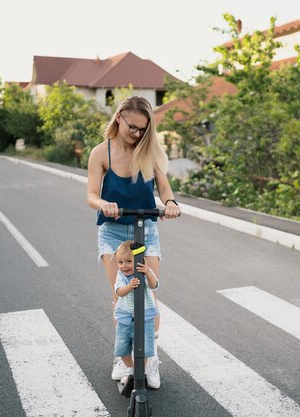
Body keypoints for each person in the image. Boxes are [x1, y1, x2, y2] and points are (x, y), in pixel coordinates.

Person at [86, 96, 181, 388]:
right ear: (118, 117)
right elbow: (90, 194)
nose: (137, 133)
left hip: (145, 230)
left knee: (149, 296)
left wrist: (171, 202)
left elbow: (164, 187)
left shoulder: (150, 151)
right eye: (132, 126)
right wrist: (103, 204)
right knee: (122, 296)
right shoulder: (101, 153)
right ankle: (123, 359)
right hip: (114, 233)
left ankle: (150, 361)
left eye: (143, 129)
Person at [113, 241, 159, 383]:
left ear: (139, 261)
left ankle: (140, 372)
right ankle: (131, 368)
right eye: (120, 262)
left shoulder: (144, 273)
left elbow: (154, 285)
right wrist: (129, 286)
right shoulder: (121, 276)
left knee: (144, 349)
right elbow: (119, 292)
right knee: (121, 349)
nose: (124, 266)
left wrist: (147, 273)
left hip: (145, 318)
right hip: (125, 318)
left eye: (128, 261)